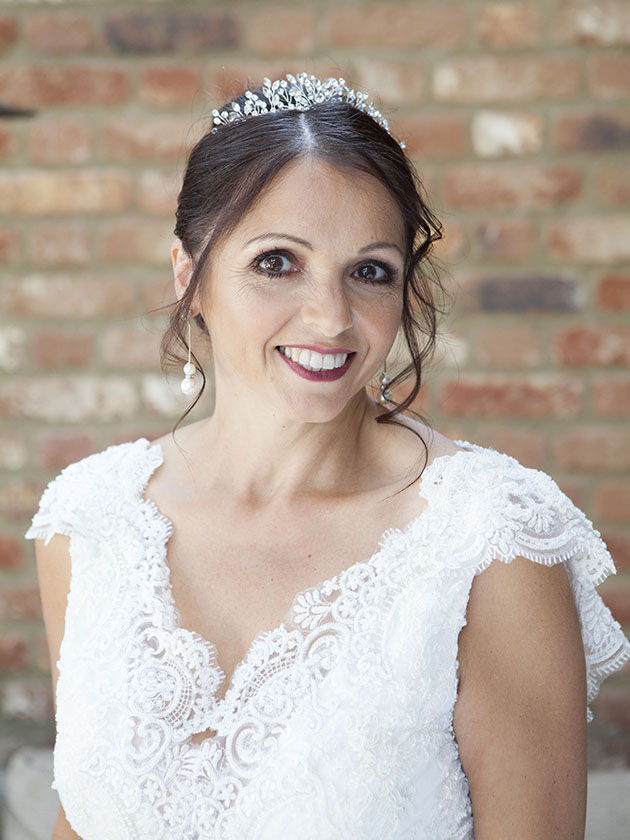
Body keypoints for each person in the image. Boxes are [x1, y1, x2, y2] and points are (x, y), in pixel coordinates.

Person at [27, 72, 630, 840]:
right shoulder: (89, 524)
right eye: (277, 262)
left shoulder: (490, 542)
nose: (331, 317)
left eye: (369, 271)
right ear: (190, 275)